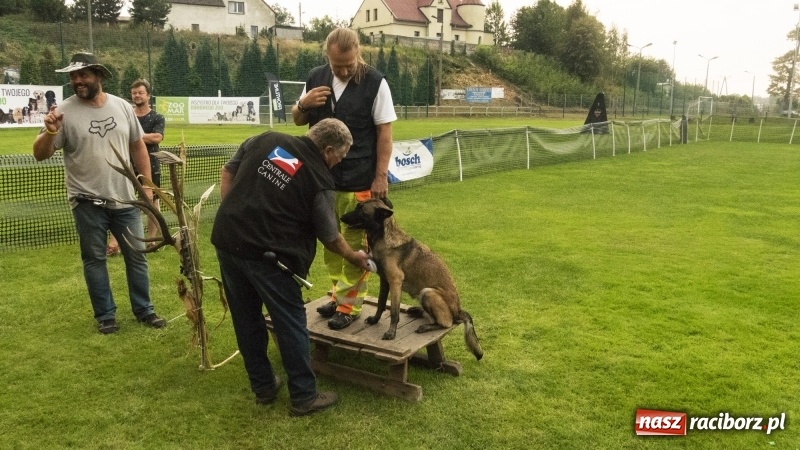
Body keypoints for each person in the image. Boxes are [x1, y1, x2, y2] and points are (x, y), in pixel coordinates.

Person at [211, 118, 371, 416]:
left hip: (228, 242)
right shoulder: (319, 178)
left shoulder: (264, 139)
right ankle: (304, 396)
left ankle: (263, 387)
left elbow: (227, 170)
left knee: (246, 319)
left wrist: (232, 214)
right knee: (290, 320)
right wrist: (355, 257)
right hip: (272, 258)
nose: (339, 163)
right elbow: (330, 236)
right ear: (327, 150)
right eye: (340, 156)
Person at [33, 52, 167, 335]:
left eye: (83, 75)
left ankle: (145, 310)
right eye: (73, 76)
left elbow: (137, 147)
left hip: (125, 199)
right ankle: (106, 316)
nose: (77, 81)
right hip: (86, 202)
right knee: (95, 260)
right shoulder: (64, 112)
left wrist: (145, 185)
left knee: (137, 256)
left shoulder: (122, 107)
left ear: (99, 76)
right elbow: (40, 154)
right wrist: (48, 133)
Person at [292, 27, 397, 330]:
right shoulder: (315, 78)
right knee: (329, 241)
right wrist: (304, 103)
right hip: (321, 179)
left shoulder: (375, 82)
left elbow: (385, 133)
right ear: (327, 56)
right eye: (338, 66)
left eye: (350, 64)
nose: (345, 70)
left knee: (354, 242)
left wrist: (380, 176)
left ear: (358, 53)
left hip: (360, 180)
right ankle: (338, 296)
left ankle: (350, 305)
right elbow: (297, 120)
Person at [107, 78, 166, 255]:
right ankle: (114, 243)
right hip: (125, 164)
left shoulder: (157, 117)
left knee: (151, 203)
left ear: (148, 95)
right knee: (120, 200)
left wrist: (133, 136)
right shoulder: (126, 114)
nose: (137, 96)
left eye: (140, 93)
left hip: (151, 165)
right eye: (134, 93)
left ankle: (152, 240)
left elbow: (157, 138)